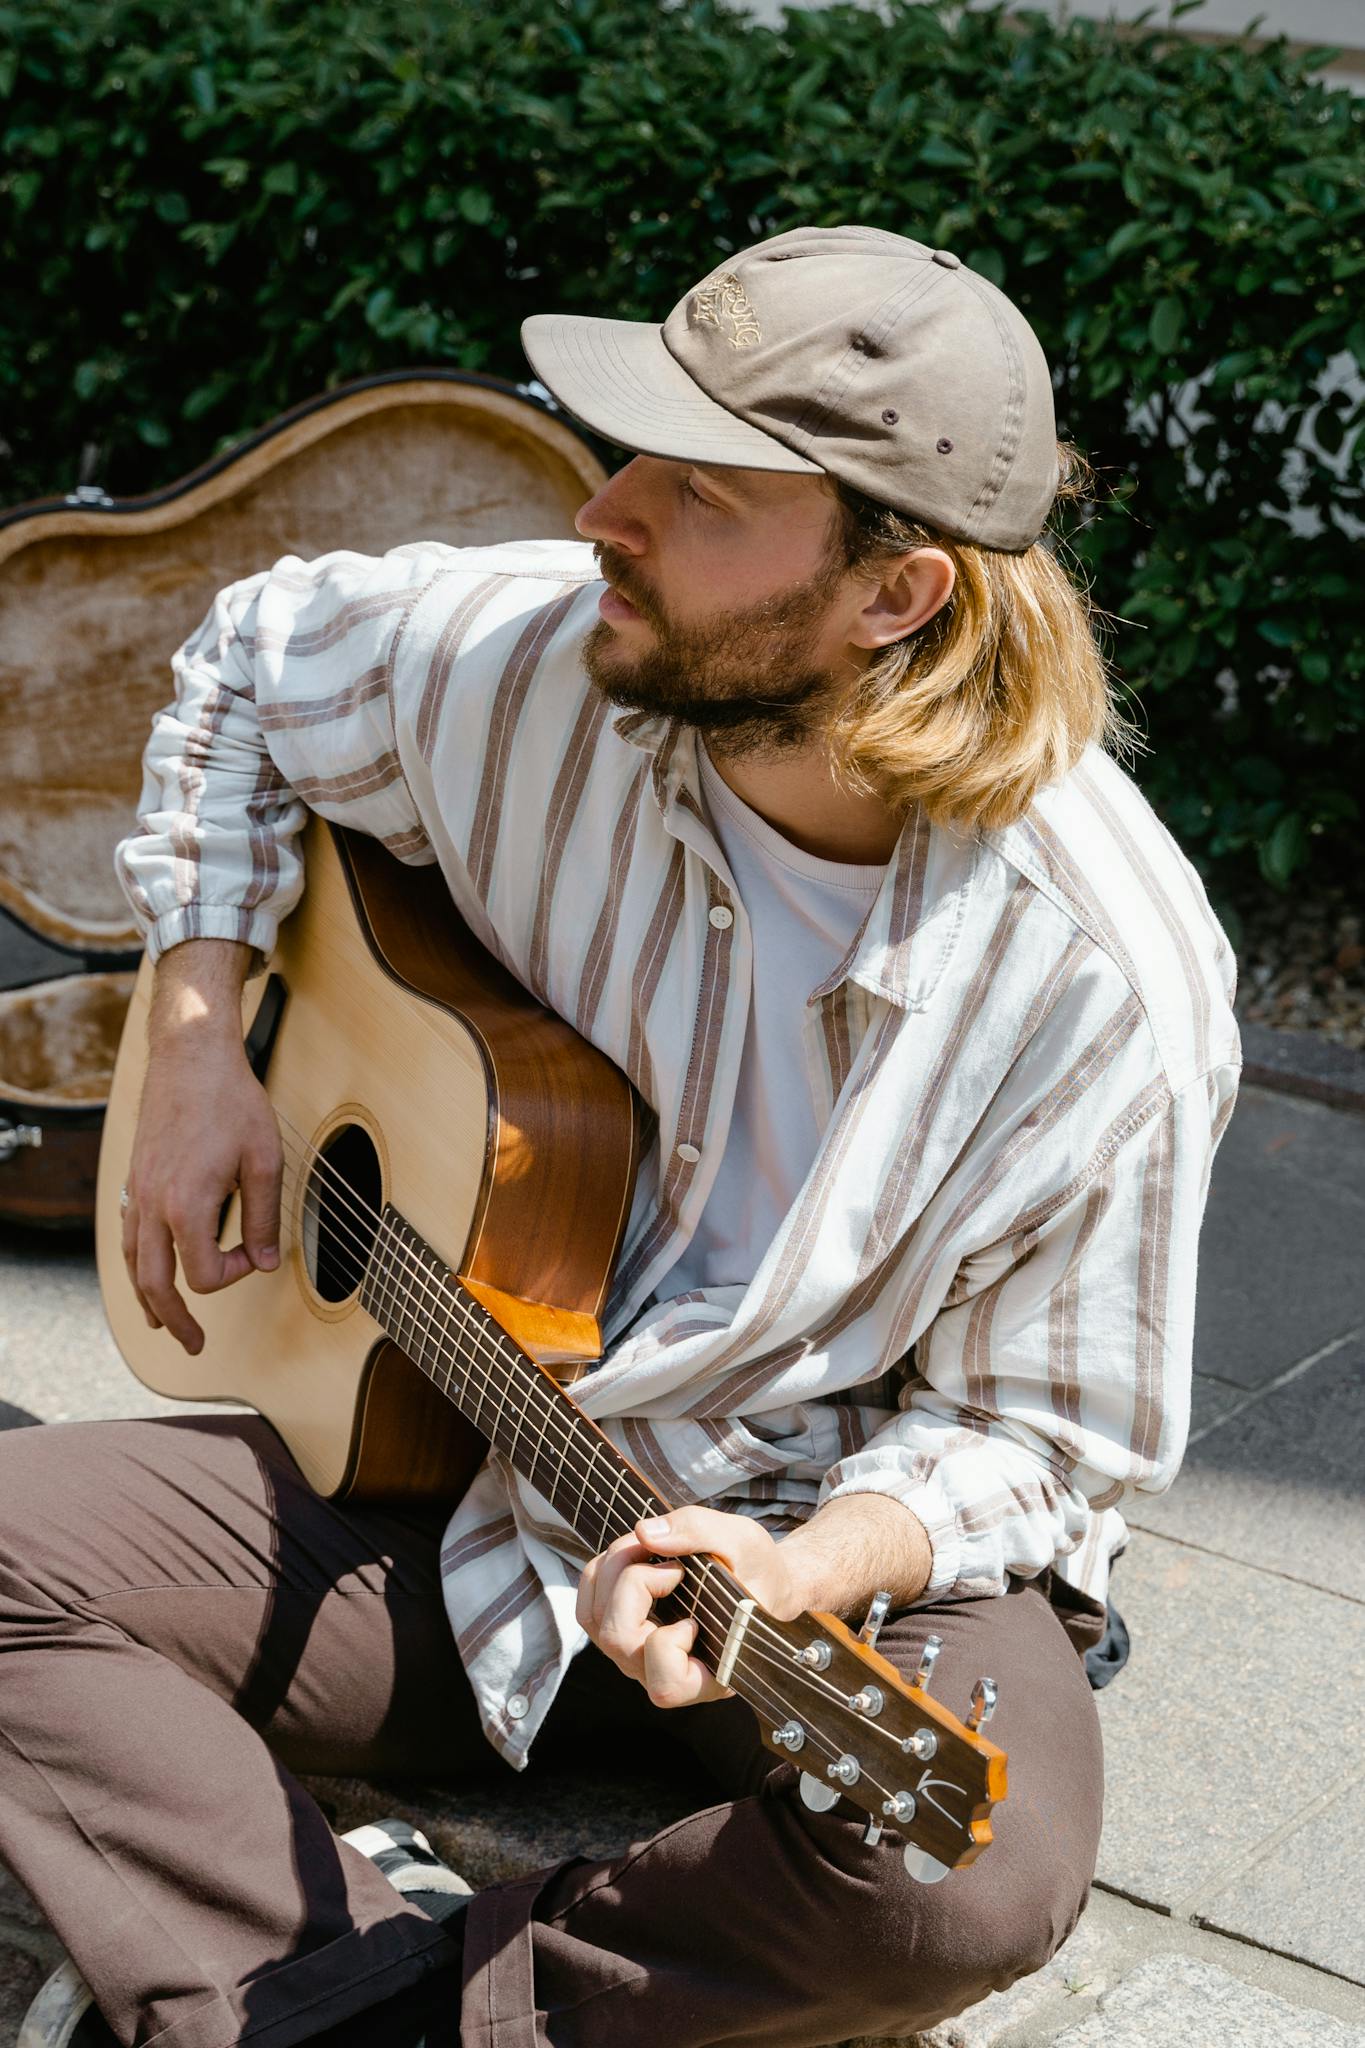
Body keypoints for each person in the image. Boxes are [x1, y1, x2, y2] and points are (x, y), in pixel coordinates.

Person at [6, 224, 1239, 2048]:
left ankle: (398, 2007)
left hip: (803, 1555)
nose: (606, 513)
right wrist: (196, 1032)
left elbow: (1043, 1430)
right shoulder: (533, 662)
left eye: (701, 491)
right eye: (627, 453)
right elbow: (249, 657)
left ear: (892, 596)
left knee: (961, 1880)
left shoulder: (1099, 980)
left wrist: (813, 1565)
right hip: (453, 1488)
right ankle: (334, 1987)